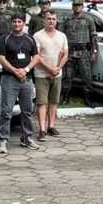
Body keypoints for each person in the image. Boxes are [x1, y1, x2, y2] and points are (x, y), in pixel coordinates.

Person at [0, 12, 41, 154]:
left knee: (27, 111)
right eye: (14, 21)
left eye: (19, 21)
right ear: (11, 23)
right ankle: (3, 141)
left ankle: (27, 138)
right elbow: (1, 58)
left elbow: (36, 57)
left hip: (26, 80)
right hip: (9, 78)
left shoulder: (30, 39)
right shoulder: (5, 39)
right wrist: (15, 71)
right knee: (6, 111)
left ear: (24, 23)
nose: (17, 24)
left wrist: (26, 69)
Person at [33, 10, 68, 141]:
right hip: (42, 74)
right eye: (49, 19)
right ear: (44, 20)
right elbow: (36, 56)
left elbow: (65, 54)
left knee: (53, 102)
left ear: (56, 20)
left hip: (57, 74)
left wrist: (58, 68)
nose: (51, 21)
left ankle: (51, 126)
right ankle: (42, 129)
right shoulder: (37, 36)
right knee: (42, 103)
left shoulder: (62, 36)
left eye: (53, 19)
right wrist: (49, 69)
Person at [59, 0, 97, 107]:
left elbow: (94, 36)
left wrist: (94, 52)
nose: (77, 7)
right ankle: (65, 98)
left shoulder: (88, 19)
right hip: (70, 52)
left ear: (82, 7)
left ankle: (88, 99)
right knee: (68, 77)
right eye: (75, 5)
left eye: (79, 5)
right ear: (72, 7)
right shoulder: (67, 19)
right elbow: (61, 36)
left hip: (84, 52)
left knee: (87, 77)